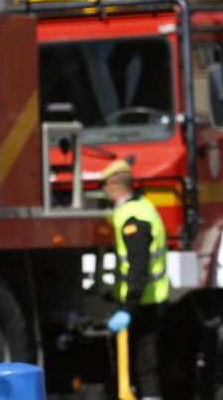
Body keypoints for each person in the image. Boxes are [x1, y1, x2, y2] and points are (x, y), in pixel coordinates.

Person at [101, 158, 168, 400]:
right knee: (140, 368)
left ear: (114, 184)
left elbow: (139, 267)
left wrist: (128, 308)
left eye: (104, 185)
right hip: (146, 300)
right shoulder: (142, 207)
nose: (103, 191)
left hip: (143, 303)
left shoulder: (133, 218)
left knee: (144, 368)